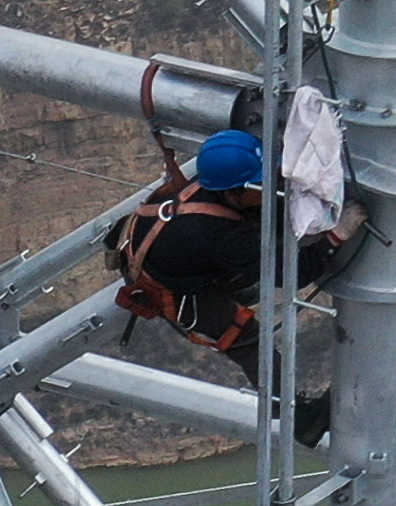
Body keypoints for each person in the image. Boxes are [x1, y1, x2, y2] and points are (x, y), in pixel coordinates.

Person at [110, 126, 358, 444]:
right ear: (232, 193)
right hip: (177, 289)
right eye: (258, 184)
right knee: (246, 341)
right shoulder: (221, 237)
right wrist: (336, 237)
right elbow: (295, 273)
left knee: (261, 238)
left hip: (152, 244)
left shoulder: (214, 184)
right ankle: (299, 419)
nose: (266, 187)